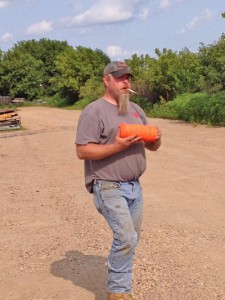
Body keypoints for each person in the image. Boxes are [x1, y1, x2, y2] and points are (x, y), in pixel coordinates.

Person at [75, 61, 162, 300]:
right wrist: (116, 146)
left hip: (135, 186)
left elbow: (152, 147)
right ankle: (118, 292)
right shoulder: (94, 111)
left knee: (131, 239)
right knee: (125, 237)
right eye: (120, 78)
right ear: (107, 80)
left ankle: (123, 288)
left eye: (128, 78)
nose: (126, 82)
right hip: (108, 185)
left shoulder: (135, 109)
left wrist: (156, 138)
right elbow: (82, 151)